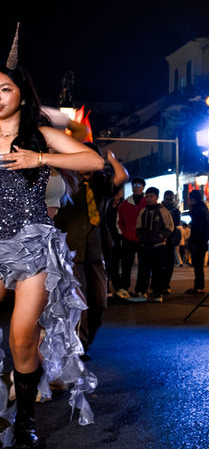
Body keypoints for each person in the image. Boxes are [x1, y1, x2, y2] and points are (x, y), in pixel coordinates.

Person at [0, 39, 102, 449]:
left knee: (23, 339)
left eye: (5, 88)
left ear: (21, 92)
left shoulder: (40, 135)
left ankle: (25, 423)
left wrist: (39, 160)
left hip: (32, 245)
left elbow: (93, 162)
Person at [54, 143, 129, 356]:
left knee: (99, 303)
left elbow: (122, 176)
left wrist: (111, 158)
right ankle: (78, 347)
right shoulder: (63, 181)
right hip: (70, 249)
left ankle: (85, 342)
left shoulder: (102, 183)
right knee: (80, 301)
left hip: (97, 249)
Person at [135, 187, 174, 301]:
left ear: (157, 197)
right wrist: (141, 236)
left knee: (158, 270)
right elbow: (138, 226)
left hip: (158, 246)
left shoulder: (163, 211)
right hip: (144, 246)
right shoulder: (143, 211)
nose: (149, 199)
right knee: (143, 271)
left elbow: (170, 226)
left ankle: (157, 293)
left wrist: (161, 236)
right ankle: (141, 291)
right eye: (147, 196)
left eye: (151, 196)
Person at [116, 177, 146, 300]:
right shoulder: (125, 204)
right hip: (128, 238)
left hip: (143, 239)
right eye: (134, 185)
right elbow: (118, 221)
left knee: (143, 266)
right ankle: (124, 287)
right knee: (126, 265)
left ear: (143, 187)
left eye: (139, 185)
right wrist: (123, 234)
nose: (136, 187)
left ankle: (141, 289)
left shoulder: (146, 203)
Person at [186, 189, 209, 295]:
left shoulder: (198, 210)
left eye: (189, 198)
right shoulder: (202, 209)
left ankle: (199, 287)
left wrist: (194, 242)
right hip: (201, 241)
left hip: (199, 241)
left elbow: (199, 228)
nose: (188, 200)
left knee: (198, 265)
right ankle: (198, 286)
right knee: (198, 265)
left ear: (193, 199)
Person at [160, 190, 181, 294]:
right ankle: (158, 284)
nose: (169, 201)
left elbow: (176, 223)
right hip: (159, 239)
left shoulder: (175, 210)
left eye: (171, 199)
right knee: (159, 263)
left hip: (171, 239)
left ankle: (166, 284)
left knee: (169, 263)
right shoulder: (159, 209)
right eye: (167, 199)